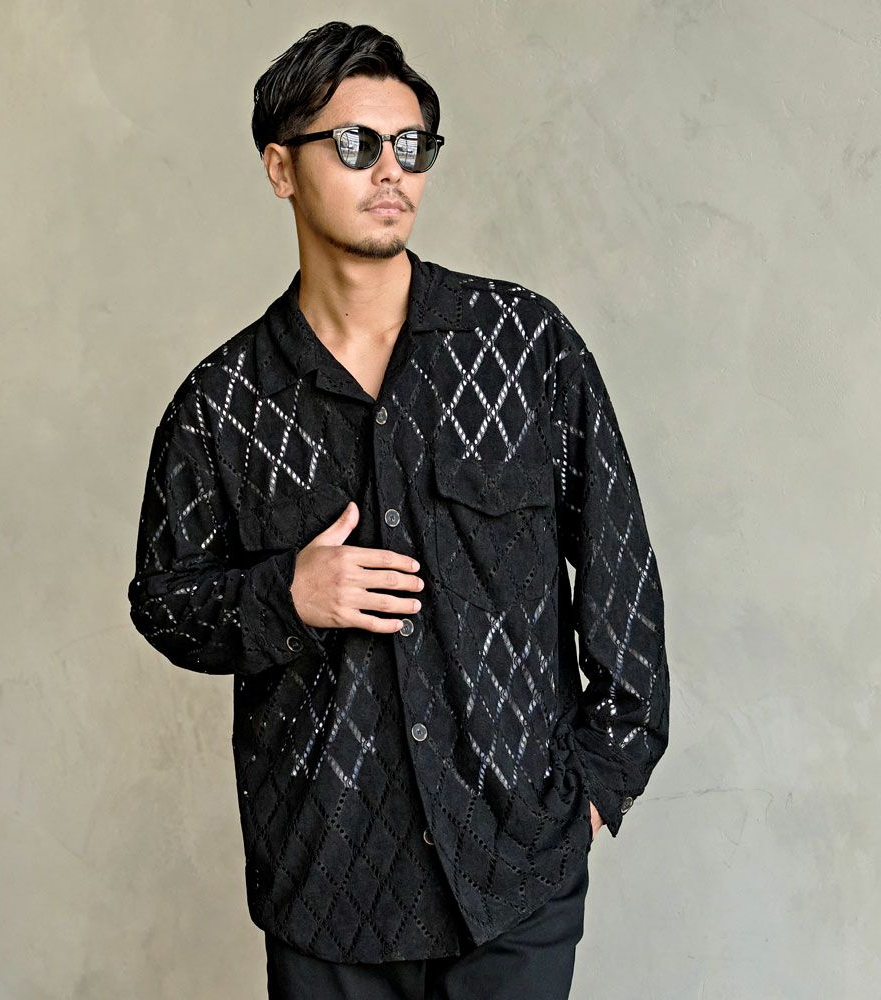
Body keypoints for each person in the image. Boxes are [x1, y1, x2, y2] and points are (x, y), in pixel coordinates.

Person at [126, 19, 671, 1000]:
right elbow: (166, 601)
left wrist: (599, 780)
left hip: (513, 877)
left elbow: (619, 562)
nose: (392, 171)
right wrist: (285, 595)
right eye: (355, 143)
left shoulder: (523, 345)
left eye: (411, 145)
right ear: (280, 169)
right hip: (327, 886)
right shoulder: (223, 403)